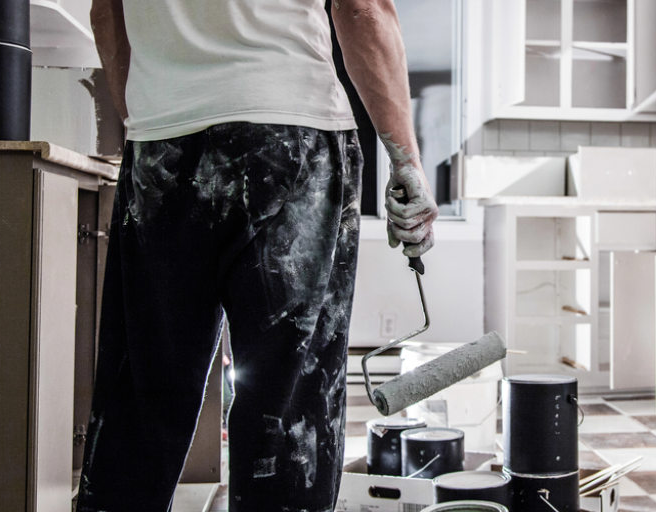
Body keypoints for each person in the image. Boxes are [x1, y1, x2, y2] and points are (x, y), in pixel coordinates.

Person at [78, 0, 438, 510]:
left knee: (142, 397)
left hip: (163, 140)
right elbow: (362, 9)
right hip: (290, 130)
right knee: (287, 410)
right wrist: (406, 159)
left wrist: (149, 121)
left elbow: (105, 14)